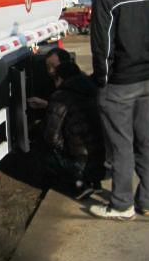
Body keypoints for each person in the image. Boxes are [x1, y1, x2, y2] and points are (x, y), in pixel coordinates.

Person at [87, 0, 149, 220]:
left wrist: (102, 81)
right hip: (147, 80)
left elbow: (102, 47)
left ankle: (121, 204)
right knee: (145, 139)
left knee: (121, 145)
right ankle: (148, 200)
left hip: (119, 83)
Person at [37, 60, 105, 199]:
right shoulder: (92, 89)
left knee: (45, 151)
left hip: (79, 162)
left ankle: (79, 184)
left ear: (60, 79)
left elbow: (51, 137)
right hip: (101, 158)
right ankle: (95, 183)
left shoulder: (61, 97)